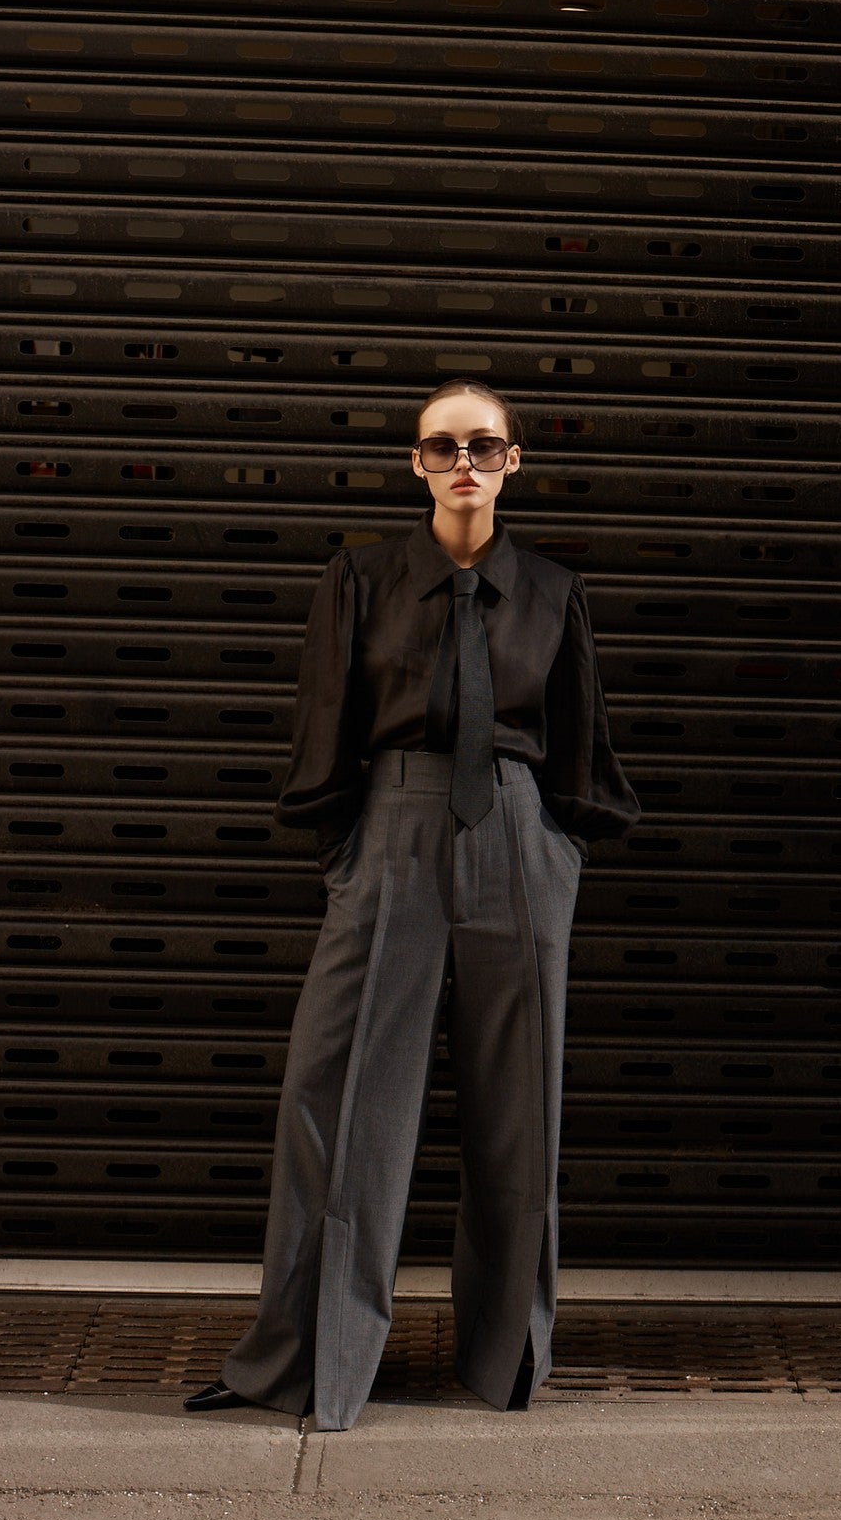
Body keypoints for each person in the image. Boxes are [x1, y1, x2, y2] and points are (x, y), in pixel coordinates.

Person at [184, 377, 641, 1430]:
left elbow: (579, 745)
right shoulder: (363, 578)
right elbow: (327, 722)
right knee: (341, 1101)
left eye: (485, 446)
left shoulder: (553, 592)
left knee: (517, 1112)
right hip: (392, 829)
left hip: (521, 840)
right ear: (417, 463)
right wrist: (353, 854)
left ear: (514, 461)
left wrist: (555, 854)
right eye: (444, 447)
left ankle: (501, 1360)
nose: (465, 464)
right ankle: (304, 1362)